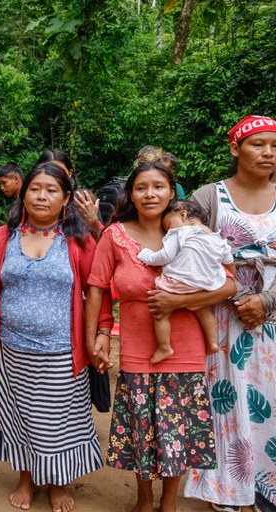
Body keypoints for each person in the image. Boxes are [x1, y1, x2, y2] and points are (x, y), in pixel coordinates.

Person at [85, 161, 235, 512]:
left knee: (176, 432)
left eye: (158, 187)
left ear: (172, 192)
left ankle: (168, 503)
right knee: (142, 428)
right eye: (141, 187)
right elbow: (97, 290)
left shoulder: (196, 231)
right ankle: (143, 499)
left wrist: (180, 300)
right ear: (131, 194)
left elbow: (229, 283)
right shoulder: (115, 235)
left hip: (186, 349)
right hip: (138, 350)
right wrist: (101, 333)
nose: (150, 194)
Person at [0, 162, 113, 512]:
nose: (41, 196)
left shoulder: (78, 240)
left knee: (59, 421)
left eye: (51, 190)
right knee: (20, 417)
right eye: (35, 188)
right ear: (24, 194)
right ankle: (27, 478)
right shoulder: (4, 236)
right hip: (12, 351)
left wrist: (103, 331)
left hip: (63, 352)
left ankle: (59, 482)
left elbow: (98, 289)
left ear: (65, 199)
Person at [184, 114, 276, 512]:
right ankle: (228, 492)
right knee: (227, 400)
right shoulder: (208, 197)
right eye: (258, 144)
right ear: (235, 148)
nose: (268, 153)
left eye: (274, 146)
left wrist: (267, 302)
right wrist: (241, 294)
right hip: (222, 320)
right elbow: (186, 254)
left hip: (271, 321)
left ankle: (266, 489)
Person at [137, 200, 232, 363]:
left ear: (182, 214)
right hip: (204, 286)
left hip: (177, 281)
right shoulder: (217, 238)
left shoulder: (180, 232)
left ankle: (165, 347)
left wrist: (145, 255)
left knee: (160, 313)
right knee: (204, 311)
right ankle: (212, 341)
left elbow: (165, 256)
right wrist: (226, 279)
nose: (168, 231)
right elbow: (229, 261)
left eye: (168, 225)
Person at [37, 149, 101, 238]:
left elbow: (102, 247)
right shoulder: (35, 201)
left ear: (69, 173)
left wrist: (93, 222)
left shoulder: (83, 200)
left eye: (60, 171)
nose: (55, 177)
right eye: (49, 171)